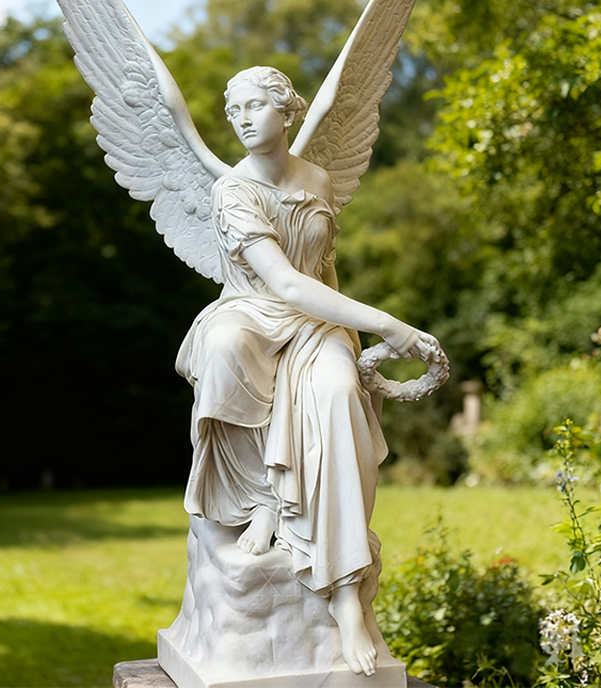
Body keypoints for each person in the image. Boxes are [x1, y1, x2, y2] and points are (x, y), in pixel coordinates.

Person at [175, 66, 438, 677]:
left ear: (286, 112)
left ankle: (346, 595)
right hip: (252, 312)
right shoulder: (231, 190)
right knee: (225, 347)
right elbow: (285, 282)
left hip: (315, 323)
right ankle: (257, 501)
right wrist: (387, 324)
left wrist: (352, 336)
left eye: (254, 106)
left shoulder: (317, 176)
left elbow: (319, 278)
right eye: (232, 107)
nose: (240, 118)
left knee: (340, 392)